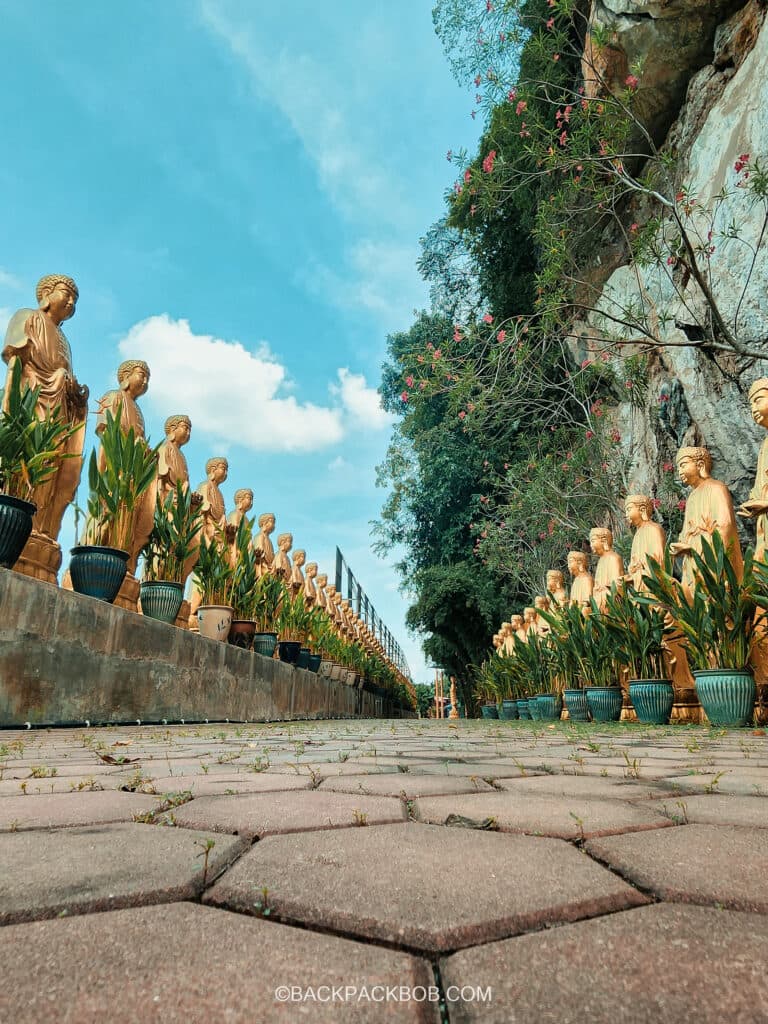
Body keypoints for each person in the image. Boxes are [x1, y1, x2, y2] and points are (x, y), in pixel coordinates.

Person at [2, 274, 88, 579]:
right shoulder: (28, 318)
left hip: (58, 414)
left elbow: (67, 378)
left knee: (51, 470)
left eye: (74, 299)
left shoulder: (64, 341)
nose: (70, 302)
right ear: (47, 293)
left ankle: (40, 527)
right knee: (28, 462)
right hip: (33, 401)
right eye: (66, 294)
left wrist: (76, 394)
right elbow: (17, 361)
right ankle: (18, 529)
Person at [670, 446, 743, 597]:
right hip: (692, 560)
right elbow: (686, 532)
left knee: (714, 598)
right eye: (678, 467)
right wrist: (682, 544)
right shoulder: (691, 498)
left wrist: (698, 546)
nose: (679, 470)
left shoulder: (717, 488)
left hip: (710, 555)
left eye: (683, 465)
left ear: (700, 465)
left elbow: (724, 525)